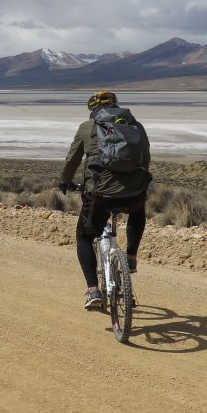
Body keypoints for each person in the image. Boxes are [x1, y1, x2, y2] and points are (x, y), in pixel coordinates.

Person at [59, 90, 151, 310]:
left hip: (99, 194)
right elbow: (145, 158)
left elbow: (72, 160)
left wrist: (65, 182)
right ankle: (130, 257)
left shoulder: (86, 127)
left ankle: (93, 291)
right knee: (137, 211)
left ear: (93, 109)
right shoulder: (135, 127)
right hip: (133, 192)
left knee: (84, 236)